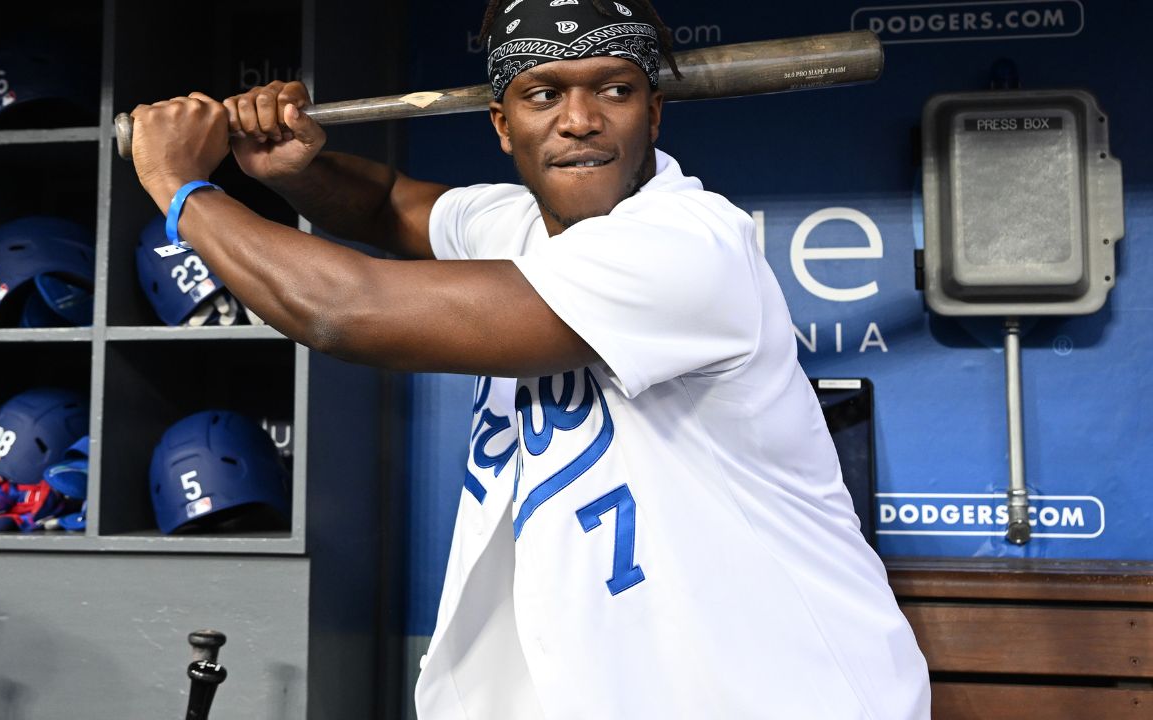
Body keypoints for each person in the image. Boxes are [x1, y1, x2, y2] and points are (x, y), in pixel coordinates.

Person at [129, 0, 932, 717]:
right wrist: (298, 171)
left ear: (654, 115)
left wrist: (181, 187)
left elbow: (345, 310)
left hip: (778, 694)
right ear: (502, 123)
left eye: (614, 89)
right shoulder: (513, 222)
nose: (580, 119)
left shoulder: (687, 246)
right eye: (544, 93)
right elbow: (385, 205)